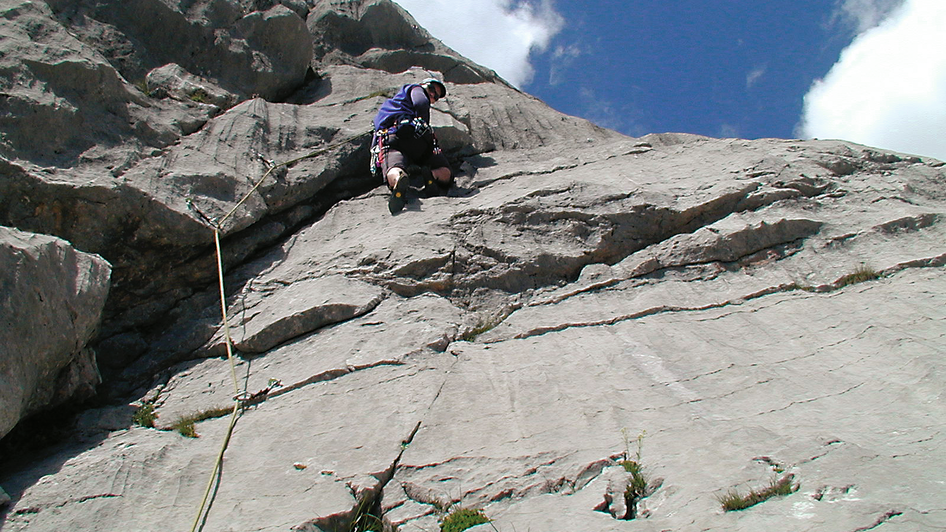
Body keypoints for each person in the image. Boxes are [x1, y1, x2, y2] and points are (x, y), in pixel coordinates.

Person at [370, 78, 452, 212]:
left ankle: (399, 179)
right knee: (445, 171)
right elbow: (420, 102)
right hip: (420, 142)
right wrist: (423, 124)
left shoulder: (389, 106)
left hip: (392, 137)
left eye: (436, 96)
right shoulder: (414, 88)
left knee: (394, 166)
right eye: (431, 89)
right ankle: (432, 175)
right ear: (422, 85)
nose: (433, 95)